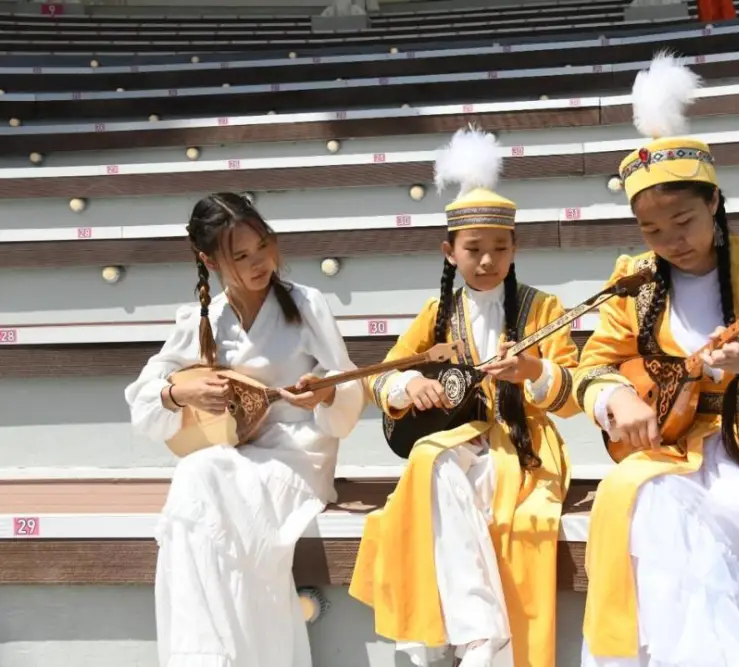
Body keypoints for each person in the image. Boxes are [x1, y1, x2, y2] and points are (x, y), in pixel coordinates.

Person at [573, 53, 739, 667]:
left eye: (684, 220)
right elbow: (594, 365)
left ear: (715, 202)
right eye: (651, 229)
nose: (670, 241)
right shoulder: (633, 278)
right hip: (673, 444)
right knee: (639, 500)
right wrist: (616, 397)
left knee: (711, 513)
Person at [349, 125, 581, 667]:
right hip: (457, 444)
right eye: (473, 249)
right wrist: (412, 384)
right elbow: (379, 376)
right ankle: (481, 633)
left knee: (443, 478)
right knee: (434, 461)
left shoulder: (543, 309)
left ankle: (471, 636)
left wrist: (531, 370)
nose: (486, 261)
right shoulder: (436, 315)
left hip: (523, 447)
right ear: (449, 251)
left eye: (499, 249)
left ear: (515, 247)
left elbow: (570, 393)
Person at [124, 192, 366, 667]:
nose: (261, 263)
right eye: (241, 256)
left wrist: (324, 394)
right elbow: (145, 399)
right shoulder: (205, 319)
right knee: (199, 477)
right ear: (208, 261)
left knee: (202, 482)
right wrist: (182, 394)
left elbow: (348, 389)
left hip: (298, 455)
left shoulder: (306, 304)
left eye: (264, 247)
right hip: (235, 456)